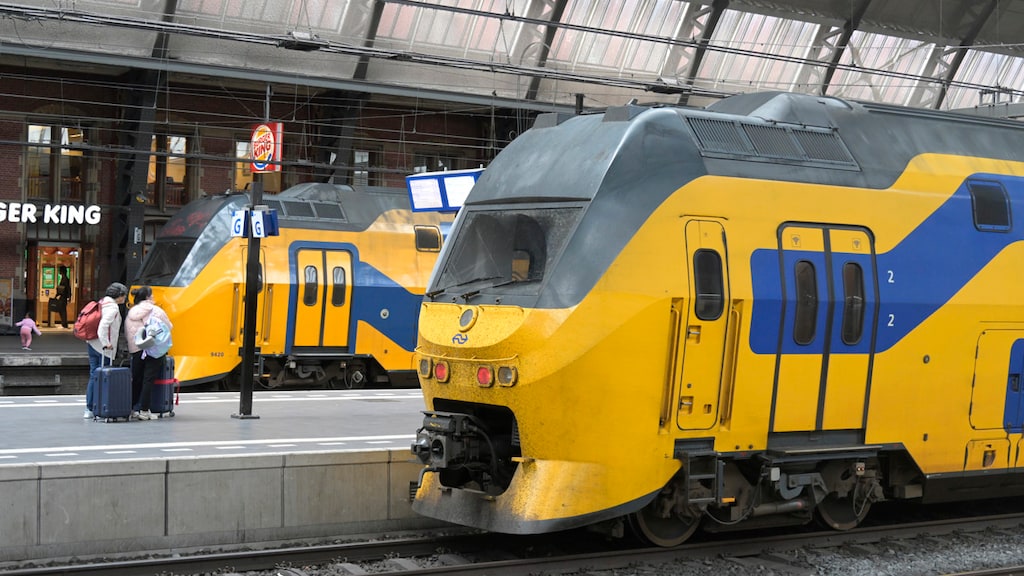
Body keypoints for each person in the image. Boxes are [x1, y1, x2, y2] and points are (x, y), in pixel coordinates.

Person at [124, 285, 172, 421]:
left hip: (137, 349)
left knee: (136, 379)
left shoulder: (131, 312)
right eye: (152, 295)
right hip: (153, 349)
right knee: (148, 379)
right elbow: (168, 327)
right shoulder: (157, 311)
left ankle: (132, 409)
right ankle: (145, 410)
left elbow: (128, 332)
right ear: (147, 297)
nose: (154, 297)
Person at [84, 282, 128, 419]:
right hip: (103, 349)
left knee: (93, 375)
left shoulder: (102, 302)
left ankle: (90, 408)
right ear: (120, 296)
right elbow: (103, 326)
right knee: (102, 377)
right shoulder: (113, 308)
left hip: (91, 344)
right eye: (124, 295)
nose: (125, 298)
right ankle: (97, 406)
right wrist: (106, 343)